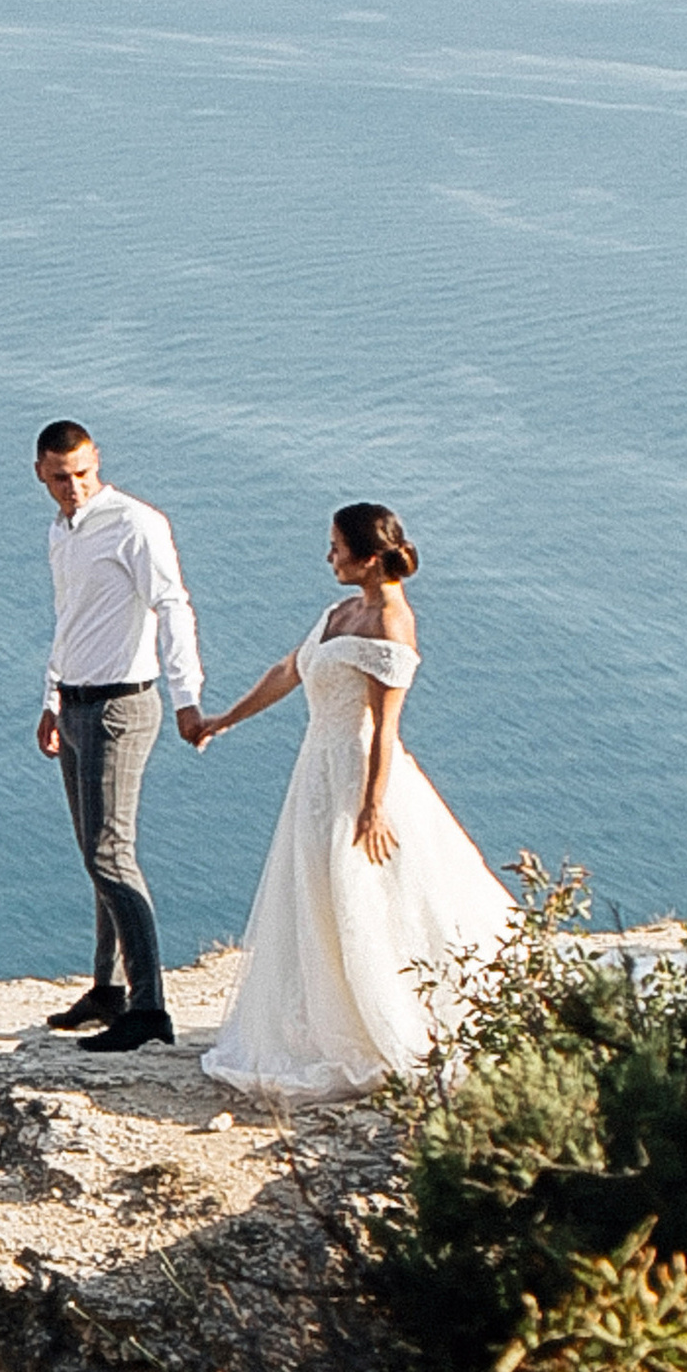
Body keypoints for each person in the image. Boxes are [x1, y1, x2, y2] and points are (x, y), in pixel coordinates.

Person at [194, 502, 512, 1101]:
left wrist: (372, 806)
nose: (328, 556)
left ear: (368, 558)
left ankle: (376, 1024)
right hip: (315, 772)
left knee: (363, 896)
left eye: (337, 547)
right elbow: (290, 669)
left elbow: (386, 727)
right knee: (314, 896)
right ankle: (316, 1018)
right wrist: (224, 720)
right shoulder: (340, 611)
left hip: (357, 774)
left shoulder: (392, 624)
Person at [33, 420, 209, 1054]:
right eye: (60, 477)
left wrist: (188, 698)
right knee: (93, 854)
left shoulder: (135, 523)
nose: (73, 487)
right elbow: (70, 620)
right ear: (40, 474)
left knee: (111, 854)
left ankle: (148, 1009)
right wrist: (51, 697)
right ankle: (107, 990)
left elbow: (172, 605)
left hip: (121, 708)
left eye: (82, 474)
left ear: (97, 463)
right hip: (76, 704)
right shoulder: (62, 530)